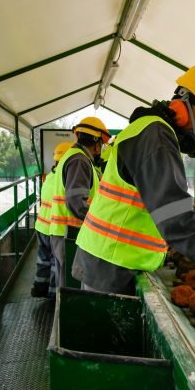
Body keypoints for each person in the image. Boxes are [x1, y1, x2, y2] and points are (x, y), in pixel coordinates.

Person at [72, 63, 195, 295]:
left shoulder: (150, 131)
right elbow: (172, 212)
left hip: (110, 258)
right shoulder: (156, 137)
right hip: (111, 264)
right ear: (184, 102)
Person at [49, 117, 110, 291]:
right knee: (71, 289)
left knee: (65, 286)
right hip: (70, 233)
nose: (100, 151)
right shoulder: (79, 161)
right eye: (102, 146)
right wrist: (102, 223)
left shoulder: (74, 157)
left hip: (65, 232)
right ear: (96, 143)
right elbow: (77, 203)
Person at [31, 141, 71, 298]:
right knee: (56, 263)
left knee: (43, 259)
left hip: (41, 226)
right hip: (53, 229)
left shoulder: (49, 177)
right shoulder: (63, 180)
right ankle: (54, 296)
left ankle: (39, 287)